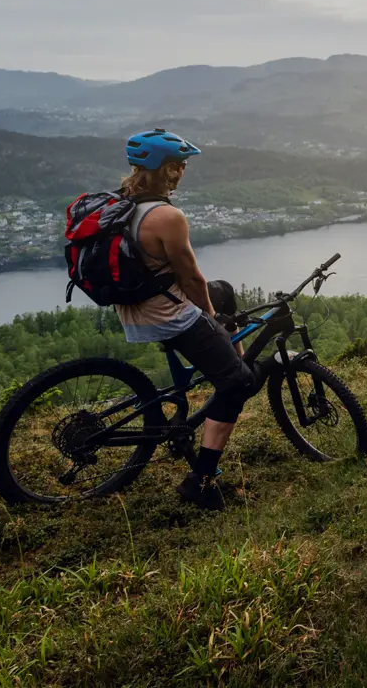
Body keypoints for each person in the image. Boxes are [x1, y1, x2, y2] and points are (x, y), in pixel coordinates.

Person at [115, 129, 258, 511]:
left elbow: (195, 281)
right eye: (177, 165)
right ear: (163, 169)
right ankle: (203, 479)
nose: (181, 171)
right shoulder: (168, 216)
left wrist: (214, 306)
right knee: (239, 384)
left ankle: (230, 362)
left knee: (223, 289)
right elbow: (191, 279)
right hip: (164, 315)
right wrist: (211, 320)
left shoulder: (123, 201)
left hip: (136, 303)